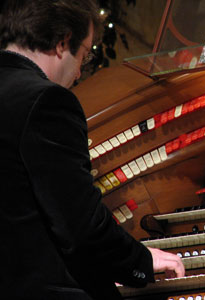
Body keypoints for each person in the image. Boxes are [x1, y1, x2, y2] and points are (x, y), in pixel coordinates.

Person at [0, 1, 184, 299]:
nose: (77, 76)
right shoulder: (47, 102)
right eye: (84, 57)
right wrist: (140, 260)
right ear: (62, 44)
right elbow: (80, 227)